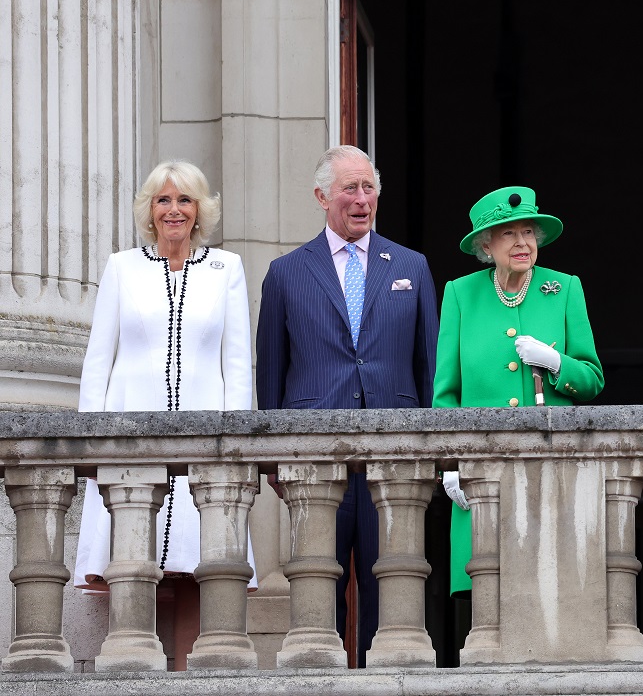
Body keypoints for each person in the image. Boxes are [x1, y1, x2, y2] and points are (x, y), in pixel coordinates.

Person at [256, 145, 438, 666]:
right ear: (322, 197)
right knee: (318, 588)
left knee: (395, 585)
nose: (362, 200)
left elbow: (428, 369)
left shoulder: (411, 266)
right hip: (315, 460)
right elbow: (271, 375)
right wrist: (275, 457)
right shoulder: (286, 273)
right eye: (350, 189)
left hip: (395, 460)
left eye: (369, 188)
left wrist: (428, 450)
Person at [74, 160, 253, 670]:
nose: (174, 210)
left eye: (185, 200)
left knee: (201, 567)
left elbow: (237, 364)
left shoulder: (227, 269)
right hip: (130, 438)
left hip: (205, 442)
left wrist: (238, 446)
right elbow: (98, 361)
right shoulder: (121, 268)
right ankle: (132, 675)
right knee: (131, 564)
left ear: (200, 211)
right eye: (163, 200)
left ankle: (191, 679)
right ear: (149, 211)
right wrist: (91, 440)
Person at [434, 186, 604, 600]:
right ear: (486, 245)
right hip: (484, 471)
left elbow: (592, 378)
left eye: (528, 232)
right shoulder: (460, 294)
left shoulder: (565, 289)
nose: (522, 242)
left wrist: (556, 362)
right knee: (487, 589)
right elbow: (446, 395)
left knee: (551, 588)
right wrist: (450, 463)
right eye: (509, 234)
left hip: (550, 467)